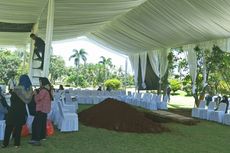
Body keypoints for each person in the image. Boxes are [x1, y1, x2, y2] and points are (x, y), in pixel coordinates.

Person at [2, 74, 33, 148]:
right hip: (20, 111)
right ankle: (16, 144)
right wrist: (31, 90)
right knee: (18, 128)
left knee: (9, 127)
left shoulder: (16, 89)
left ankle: (5, 144)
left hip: (12, 111)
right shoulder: (26, 91)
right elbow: (27, 100)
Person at [29, 77, 52, 146]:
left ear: (43, 82)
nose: (39, 83)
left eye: (40, 82)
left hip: (41, 109)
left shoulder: (43, 90)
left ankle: (35, 139)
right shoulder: (48, 89)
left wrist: (35, 94)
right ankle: (42, 136)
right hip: (45, 109)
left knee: (36, 124)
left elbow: (37, 99)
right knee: (42, 124)